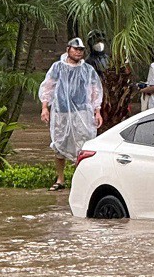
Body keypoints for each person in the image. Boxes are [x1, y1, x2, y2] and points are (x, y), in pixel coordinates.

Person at [39, 37, 103, 191]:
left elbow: (95, 90)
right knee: (59, 144)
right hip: (61, 112)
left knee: (83, 143)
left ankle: (79, 180)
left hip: (82, 112)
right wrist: (44, 107)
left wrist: (97, 111)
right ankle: (60, 179)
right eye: (75, 49)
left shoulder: (87, 70)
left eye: (81, 50)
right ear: (68, 49)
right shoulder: (57, 68)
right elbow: (48, 86)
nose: (78, 52)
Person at [85, 30, 132, 133]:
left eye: (100, 41)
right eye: (96, 42)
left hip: (112, 95)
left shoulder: (107, 58)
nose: (99, 44)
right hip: (99, 94)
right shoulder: (89, 61)